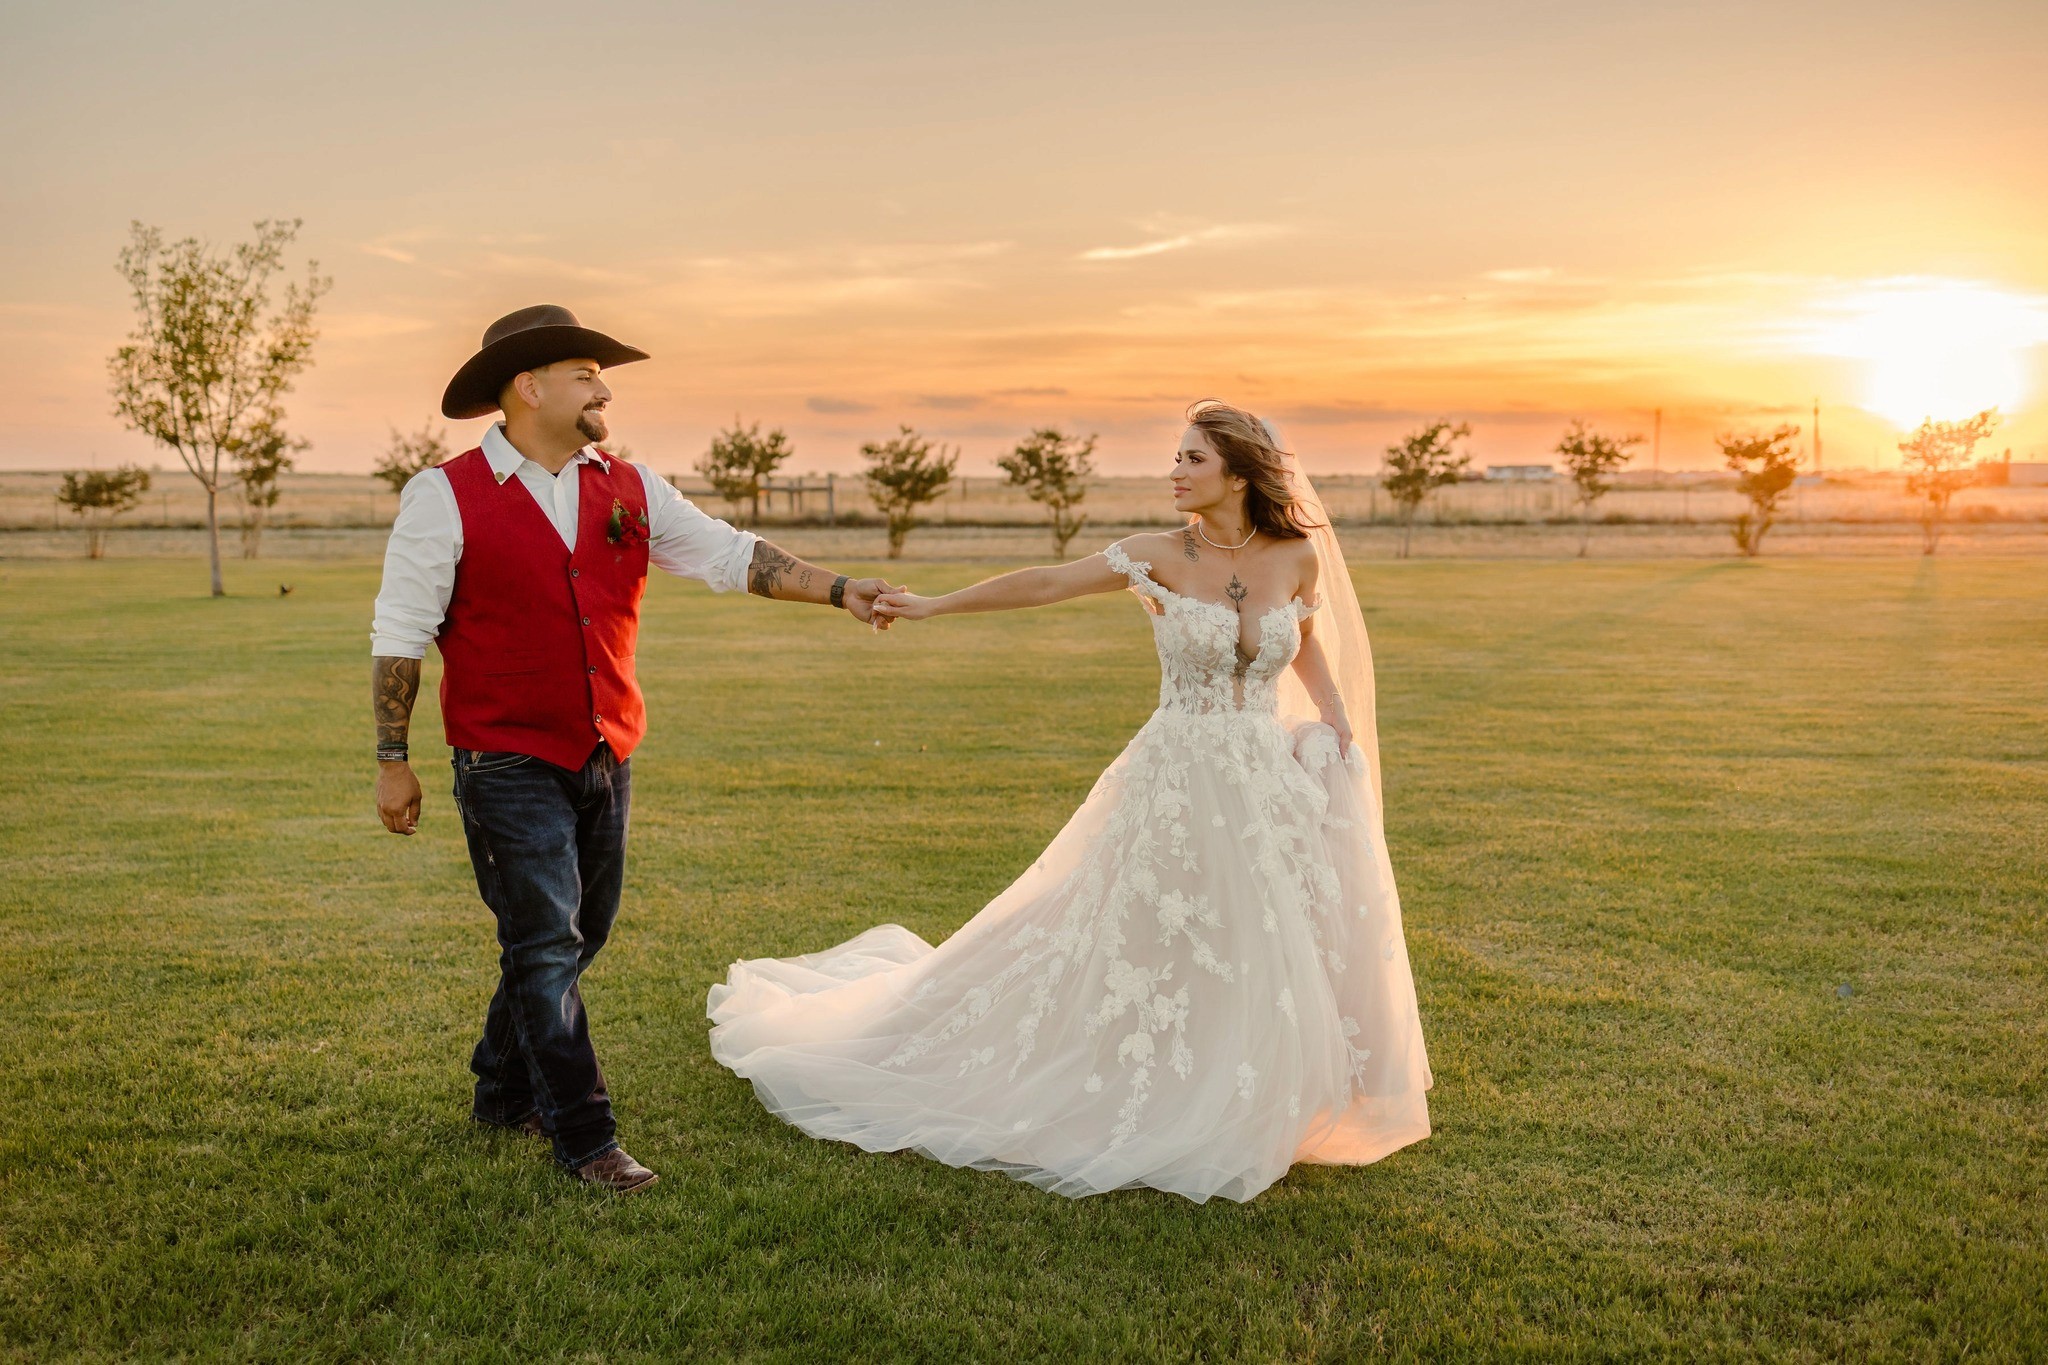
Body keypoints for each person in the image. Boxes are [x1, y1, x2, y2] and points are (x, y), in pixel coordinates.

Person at [707, 400, 1431, 1203]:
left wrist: (1333, 716)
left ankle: (1247, 1087)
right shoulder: (1157, 553)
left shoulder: (1296, 557)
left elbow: (1305, 641)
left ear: (1239, 474)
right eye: (1177, 456)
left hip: (1262, 777)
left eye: (1193, 458)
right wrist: (935, 604)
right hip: (1177, 773)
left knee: (1257, 932)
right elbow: (1047, 582)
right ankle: (1147, 1078)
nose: (1175, 471)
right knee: (1143, 925)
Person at [371, 304, 898, 1193]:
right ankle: (585, 1136)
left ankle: (500, 1086)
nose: (604, 391)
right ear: (529, 387)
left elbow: (734, 556)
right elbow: (400, 631)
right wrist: (393, 759)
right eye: (585, 375)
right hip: (503, 759)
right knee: (546, 941)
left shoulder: (631, 486)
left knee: (578, 934)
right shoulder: (443, 495)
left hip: (605, 750)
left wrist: (840, 587)